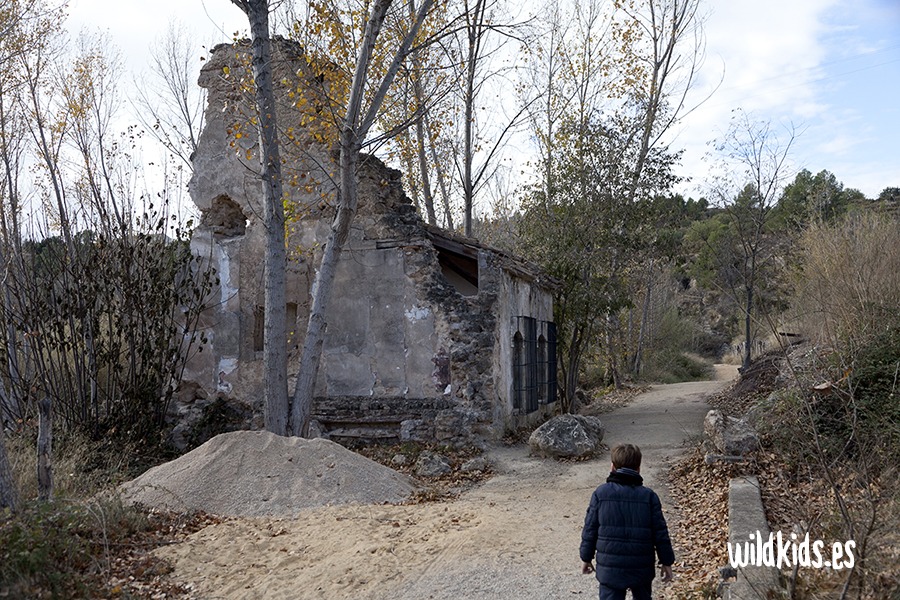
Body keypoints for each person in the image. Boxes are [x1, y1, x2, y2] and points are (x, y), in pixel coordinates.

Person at [579, 443, 675, 600]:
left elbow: (590, 529)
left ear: (612, 467)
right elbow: (660, 533)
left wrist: (586, 557)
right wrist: (667, 561)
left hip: (610, 568)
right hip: (641, 567)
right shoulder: (649, 496)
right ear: (638, 468)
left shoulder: (600, 494)